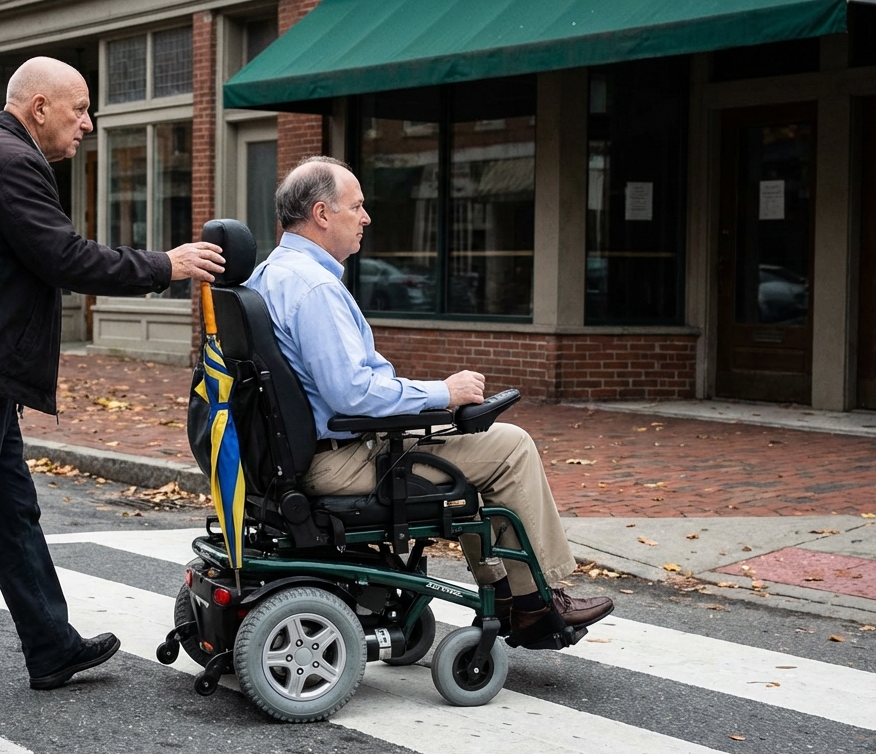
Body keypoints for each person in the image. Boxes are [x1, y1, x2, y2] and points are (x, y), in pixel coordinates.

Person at [0, 57, 225, 717]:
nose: (87, 123)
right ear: (40, 108)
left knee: (9, 516)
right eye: (79, 109)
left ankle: (51, 646)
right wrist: (163, 266)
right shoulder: (10, 161)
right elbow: (62, 256)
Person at [244, 157, 612, 649]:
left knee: (476, 447)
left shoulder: (267, 275)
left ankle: (504, 591)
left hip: (299, 455)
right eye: (357, 206)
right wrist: (445, 393)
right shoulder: (313, 287)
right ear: (322, 214)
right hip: (341, 459)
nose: (366, 217)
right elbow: (351, 394)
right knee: (509, 448)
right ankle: (535, 603)